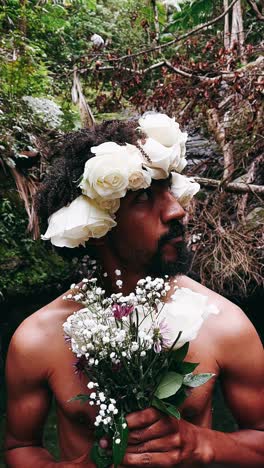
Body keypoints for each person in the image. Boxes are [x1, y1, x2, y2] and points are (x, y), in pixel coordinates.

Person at [4, 114, 264, 468]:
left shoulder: (225, 325)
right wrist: (87, 465)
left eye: (168, 189)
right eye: (143, 197)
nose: (176, 210)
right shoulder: (37, 339)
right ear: (99, 224)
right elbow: (19, 448)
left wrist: (201, 443)